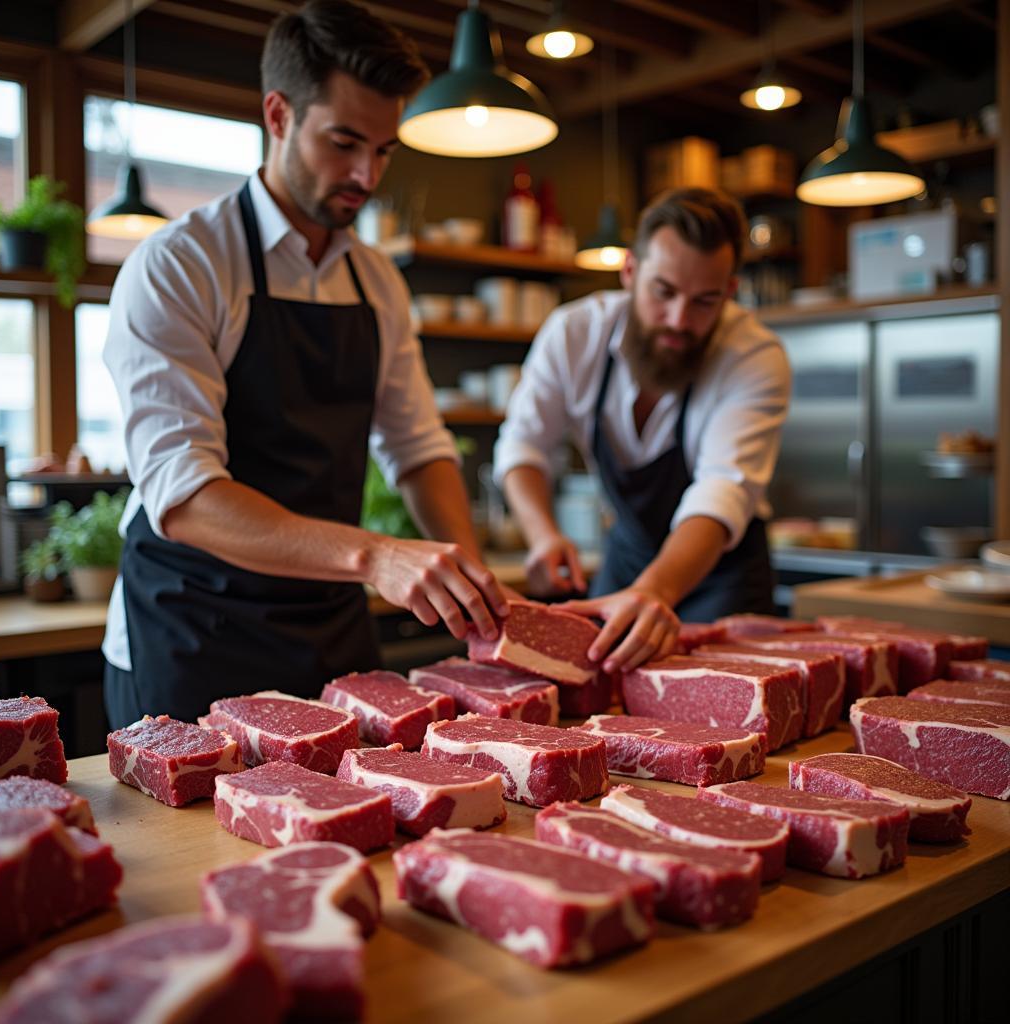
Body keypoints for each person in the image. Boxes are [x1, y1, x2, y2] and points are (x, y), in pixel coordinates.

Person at [101, 0, 508, 729]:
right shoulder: (182, 264)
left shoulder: (375, 280)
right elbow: (187, 496)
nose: (366, 174)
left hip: (328, 623)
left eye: (384, 150)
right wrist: (378, 557)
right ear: (279, 115)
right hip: (194, 628)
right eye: (345, 141)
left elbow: (418, 449)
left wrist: (470, 584)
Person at [494, 188, 791, 677]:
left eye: (704, 301)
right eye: (664, 292)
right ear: (630, 272)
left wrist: (656, 591)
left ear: (731, 291)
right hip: (626, 558)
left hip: (724, 574)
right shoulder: (574, 333)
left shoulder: (754, 356)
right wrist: (542, 534)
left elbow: (722, 492)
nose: (679, 320)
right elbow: (524, 445)